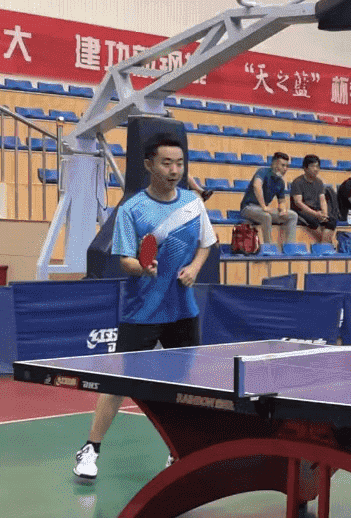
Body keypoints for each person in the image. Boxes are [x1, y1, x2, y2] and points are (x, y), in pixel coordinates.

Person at [73, 135, 218, 480]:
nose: (174, 170)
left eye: (179, 164)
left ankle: (178, 452)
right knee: (119, 382)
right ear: (149, 165)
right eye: (167, 163)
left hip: (182, 309)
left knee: (184, 386)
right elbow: (125, 260)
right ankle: (90, 449)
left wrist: (195, 267)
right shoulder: (132, 209)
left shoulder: (193, 203)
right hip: (143, 310)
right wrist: (143, 267)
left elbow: (206, 244)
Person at [239, 151, 297, 251]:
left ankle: (290, 247)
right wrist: (264, 206)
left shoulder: (280, 182)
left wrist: (283, 210)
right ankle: (269, 248)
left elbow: (282, 201)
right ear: (274, 164)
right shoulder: (263, 171)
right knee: (266, 216)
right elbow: (257, 186)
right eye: (283, 165)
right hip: (248, 207)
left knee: (293, 215)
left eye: (287, 166)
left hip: (262, 210)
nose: (285, 169)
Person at [289, 154, 335, 246]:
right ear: (305, 168)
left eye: (317, 166)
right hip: (301, 211)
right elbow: (298, 203)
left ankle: (324, 245)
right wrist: (315, 214)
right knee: (313, 221)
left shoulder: (319, 182)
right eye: (312, 166)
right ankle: (327, 245)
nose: (316, 169)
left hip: (315, 210)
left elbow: (322, 200)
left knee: (331, 221)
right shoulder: (297, 182)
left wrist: (324, 214)